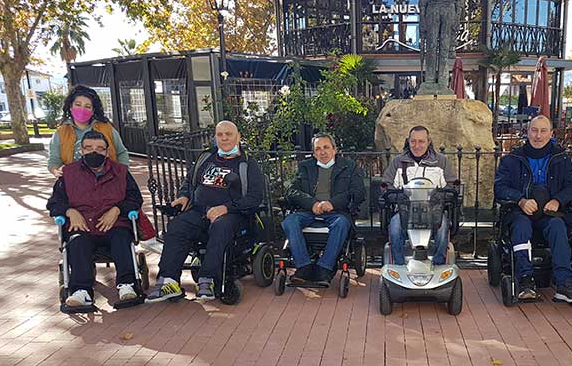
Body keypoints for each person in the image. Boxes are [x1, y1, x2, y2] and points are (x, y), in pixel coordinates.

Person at [147, 121, 265, 301]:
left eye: (228, 134)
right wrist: (184, 196)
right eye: (220, 134)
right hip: (200, 211)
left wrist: (226, 208)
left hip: (233, 215)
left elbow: (255, 197)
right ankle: (169, 280)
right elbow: (190, 181)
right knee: (178, 226)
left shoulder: (248, 164)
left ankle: (207, 279)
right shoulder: (206, 158)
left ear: (238, 137)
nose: (224, 138)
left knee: (221, 227)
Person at [493, 115, 572, 304]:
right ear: (527, 132)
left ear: (551, 134)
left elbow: (571, 187)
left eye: (543, 131)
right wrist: (520, 200)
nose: (538, 136)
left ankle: (565, 284)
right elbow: (500, 188)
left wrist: (558, 200)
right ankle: (525, 280)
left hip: (550, 213)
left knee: (558, 226)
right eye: (534, 130)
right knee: (520, 227)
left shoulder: (561, 159)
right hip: (521, 212)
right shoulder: (512, 160)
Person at [47, 131, 143, 308]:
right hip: (82, 226)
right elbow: (54, 203)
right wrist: (69, 211)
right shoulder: (68, 174)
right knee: (76, 242)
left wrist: (117, 209)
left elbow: (135, 199)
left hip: (114, 225)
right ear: (81, 150)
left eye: (100, 149)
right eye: (89, 148)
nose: (94, 152)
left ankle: (127, 285)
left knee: (122, 237)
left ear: (107, 152)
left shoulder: (120, 172)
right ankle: (81, 291)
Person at [282, 133, 366, 284]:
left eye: (326, 147)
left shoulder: (349, 167)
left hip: (337, 212)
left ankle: (324, 268)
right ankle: (304, 267)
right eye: (318, 149)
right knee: (290, 221)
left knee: (341, 223)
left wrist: (333, 203)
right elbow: (291, 191)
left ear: (334, 149)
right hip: (308, 211)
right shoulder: (305, 167)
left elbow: (358, 192)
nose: (322, 152)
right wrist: (311, 203)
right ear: (314, 153)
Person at [381, 125, 457, 265]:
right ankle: (399, 265)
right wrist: (400, 197)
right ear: (408, 141)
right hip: (405, 211)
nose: (417, 145)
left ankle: (439, 264)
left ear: (428, 141)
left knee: (443, 226)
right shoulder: (398, 162)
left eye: (421, 141)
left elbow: (452, 185)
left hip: (434, 210)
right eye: (413, 141)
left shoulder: (441, 162)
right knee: (395, 226)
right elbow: (386, 185)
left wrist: (438, 196)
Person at [48, 85, 130, 178]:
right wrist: (56, 171)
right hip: (75, 181)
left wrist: (122, 173)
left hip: (107, 181)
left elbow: (121, 152)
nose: (82, 109)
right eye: (78, 105)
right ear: (71, 107)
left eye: (87, 106)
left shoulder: (106, 128)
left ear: (93, 110)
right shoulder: (61, 132)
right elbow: (54, 160)